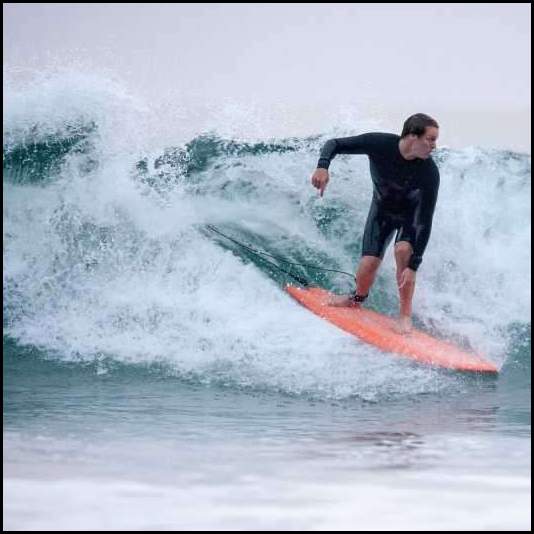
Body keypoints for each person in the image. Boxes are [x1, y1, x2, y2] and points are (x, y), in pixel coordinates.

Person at [310, 113, 440, 334]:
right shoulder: (380, 144)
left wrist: (413, 265)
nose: (434, 146)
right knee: (368, 265)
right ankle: (356, 299)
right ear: (411, 136)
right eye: (430, 139)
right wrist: (323, 166)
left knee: (402, 251)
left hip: (410, 217)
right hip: (382, 212)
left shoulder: (429, 172)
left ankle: (405, 317)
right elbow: (334, 144)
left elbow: (424, 221)